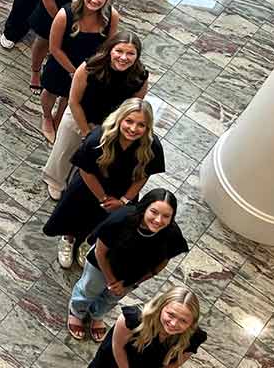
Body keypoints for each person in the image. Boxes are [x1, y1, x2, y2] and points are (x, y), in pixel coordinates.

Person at [43, 98, 164, 271]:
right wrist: (103, 199)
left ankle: (88, 242)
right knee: (75, 213)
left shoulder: (152, 146)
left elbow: (143, 175)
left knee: (105, 222)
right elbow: (86, 170)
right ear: (120, 118)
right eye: (129, 121)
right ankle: (68, 239)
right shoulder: (98, 137)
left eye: (141, 125)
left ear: (148, 127)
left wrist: (123, 200)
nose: (133, 128)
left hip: (122, 192)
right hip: (89, 186)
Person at [71, 189, 189, 342]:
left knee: (111, 299)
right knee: (88, 290)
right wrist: (112, 281)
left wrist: (135, 282)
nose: (159, 220)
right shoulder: (122, 219)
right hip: (102, 266)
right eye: (154, 212)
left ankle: (97, 315)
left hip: (129, 278)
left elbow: (163, 262)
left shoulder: (172, 234)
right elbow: (100, 251)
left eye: (166, 216)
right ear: (144, 208)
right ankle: (76, 312)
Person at [42, 32, 149, 199]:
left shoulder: (140, 77)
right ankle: (55, 180)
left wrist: (110, 131)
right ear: (110, 50)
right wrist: (86, 132)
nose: (123, 57)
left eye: (130, 53)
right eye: (119, 51)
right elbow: (74, 101)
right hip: (79, 114)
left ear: (137, 56)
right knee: (64, 150)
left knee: (95, 159)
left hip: (109, 124)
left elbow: (131, 109)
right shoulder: (90, 67)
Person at [40, 0, 120, 143]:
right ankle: (47, 117)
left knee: (71, 97)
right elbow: (54, 47)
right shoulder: (65, 14)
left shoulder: (111, 16)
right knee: (51, 91)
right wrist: (74, 71)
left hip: (89, 67)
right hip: (62, 62)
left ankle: (59, 118)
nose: (95, 0)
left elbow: (109, 46)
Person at [89, 286, 207, 368]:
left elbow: (176, 363)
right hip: (114, 362)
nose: (174, 324)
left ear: (192, 323)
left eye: (183, 321)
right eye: (171, 315)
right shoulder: (133, 319)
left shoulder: (194, 337)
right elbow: (117, 347)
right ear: (161, 307)